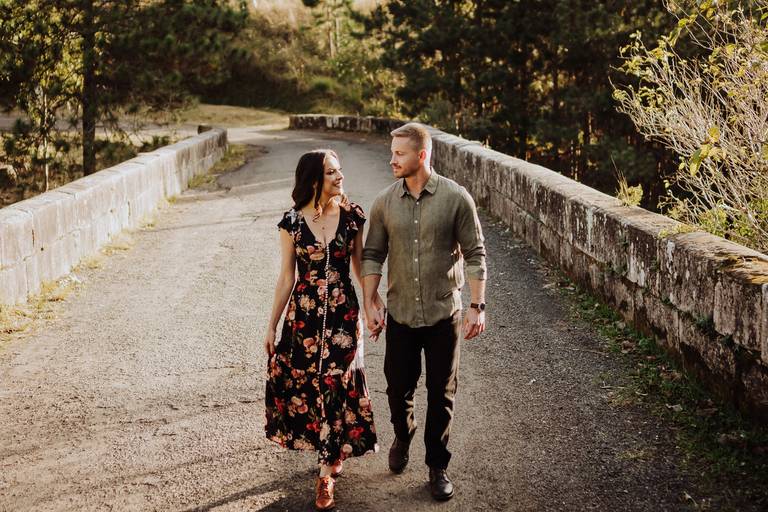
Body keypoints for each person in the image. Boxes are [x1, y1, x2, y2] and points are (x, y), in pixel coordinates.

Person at [361, 122, 487, 501]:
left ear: (422, 155)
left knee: (441, 392)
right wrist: (370, 302)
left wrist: (477, 307)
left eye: (399, 153)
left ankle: (437, 465)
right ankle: (404, 431)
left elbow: (477, 253)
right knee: (398, 388)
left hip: (442, 313)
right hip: (400, 314)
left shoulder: (455, 198)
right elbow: (372, 255)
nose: (392, 159)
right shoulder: (384, 202)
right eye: (392, 152)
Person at [264, 149, 378, 511]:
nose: (340, 177)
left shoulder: (352, 217)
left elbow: (361, 270)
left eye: (340, 170)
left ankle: (325, 472)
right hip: (304, 318)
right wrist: (270, 325)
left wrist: (374, 304)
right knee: (308, 383)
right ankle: (332, 450)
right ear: (314, 179)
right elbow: (286, 278)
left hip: (344, 315)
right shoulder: (291, 223)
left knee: (335, 382)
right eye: (332, 172)